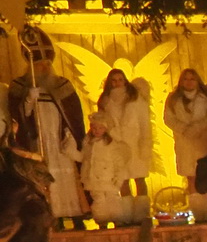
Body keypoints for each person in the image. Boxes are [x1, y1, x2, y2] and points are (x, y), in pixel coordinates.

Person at [6, 27, 86, 226]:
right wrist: (28, 101)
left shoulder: (62, 85)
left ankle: (75, 215)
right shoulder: (20, 86)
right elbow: (19, 116)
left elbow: (72, 115)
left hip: (59, 139)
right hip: (38, 139)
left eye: (46, 64)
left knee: (66, 177)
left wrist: (69, 134)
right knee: (45, 177)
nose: (43, 68)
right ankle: (53, 216)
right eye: (39, 65)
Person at [163, 68, 207, 218]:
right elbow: (168, 119)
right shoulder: (173, 99)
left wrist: (198, 128)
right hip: (185, 143)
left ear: (198, 81)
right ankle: (198, 211)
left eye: (192, 79)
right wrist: (184, 129)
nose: (189, 82)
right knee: (191, 176)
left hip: (203, 141)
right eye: (186, 79)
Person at [96, 67, 153, 218]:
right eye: (114, 80)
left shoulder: (136, 99)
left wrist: (146, 143)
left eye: (120, 79)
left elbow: (145, 122)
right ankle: (127, 215)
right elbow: (102, 123)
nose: (117, 83)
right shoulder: (105, 101)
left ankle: (142, 215)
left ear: (125, 80)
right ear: (109, 82)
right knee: (122, 180)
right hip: (116, 144)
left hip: (135, 143)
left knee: (139, 178)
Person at [79, 113, 131, 226]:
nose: (97, 131)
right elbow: (83, 158)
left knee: (113, 199)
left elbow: (119, 163)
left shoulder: (112, 145)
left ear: (106, 129)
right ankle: (102, 221)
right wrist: (70, 151)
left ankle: (117, 220)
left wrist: (118, 177)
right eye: (94, 128)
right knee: (98, 200)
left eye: (100, 128)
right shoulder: (88, 144)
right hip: (94, 180)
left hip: (109, 179)